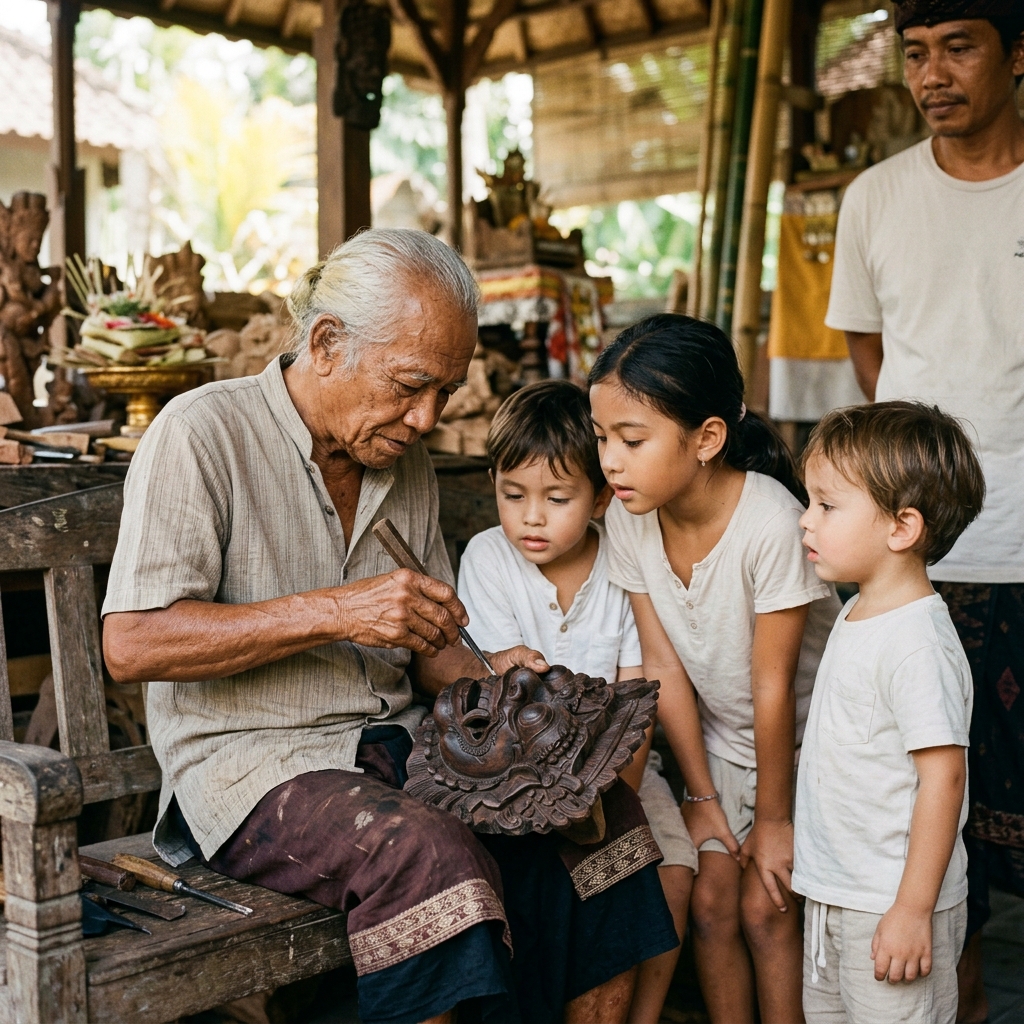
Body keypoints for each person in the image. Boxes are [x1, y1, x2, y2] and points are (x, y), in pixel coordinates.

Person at [100, 229, 678, 1024]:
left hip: (397, 744)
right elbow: (131, 643)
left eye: (445, 390)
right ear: (328, 342)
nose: (428, 416)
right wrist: (338, 610)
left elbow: (429, 652)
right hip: (253, 769)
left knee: (594, 823)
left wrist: (490, 676)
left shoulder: (400, 460)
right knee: (428, 856)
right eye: (411, 384)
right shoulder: (203, 434)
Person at [825, 4, 1024, 1017]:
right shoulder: (873, 199)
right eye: (914, 53)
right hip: (922, 559)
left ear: (1018, 53)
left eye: (959, 45)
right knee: (934, 839)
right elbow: (870, 361)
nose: (930, 73)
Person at [589, 314, 842, 1024]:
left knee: (767, 906)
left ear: (706, 439)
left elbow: (774, 689)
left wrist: (774, 822)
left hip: (808, 753)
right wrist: (699, 795)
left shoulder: (769, 523)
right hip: (726, 751)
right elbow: (660, 663)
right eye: (603, 437)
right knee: (710, 902)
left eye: (632, 441)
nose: (610, 460)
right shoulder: (631, 519)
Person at [457, 379, 697, 1024]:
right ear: (493, 482)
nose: (532, 517)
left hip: (619, 773)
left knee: (668, 869)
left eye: (557, 498)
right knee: (545, 882)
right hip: (516, 779)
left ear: (598, 497)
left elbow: (635, 700)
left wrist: (612, 790)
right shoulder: (488, 558)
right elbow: (501, 704)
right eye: (513, 495)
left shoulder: (622, 565)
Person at [793, 401, 986, 1024]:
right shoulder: (856, 611)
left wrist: (911, 909)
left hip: (891, 904)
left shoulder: (918, 644)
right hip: (839, 895)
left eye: (827, 505)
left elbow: (944, 779)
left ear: (901, 528)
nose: (806, 521)